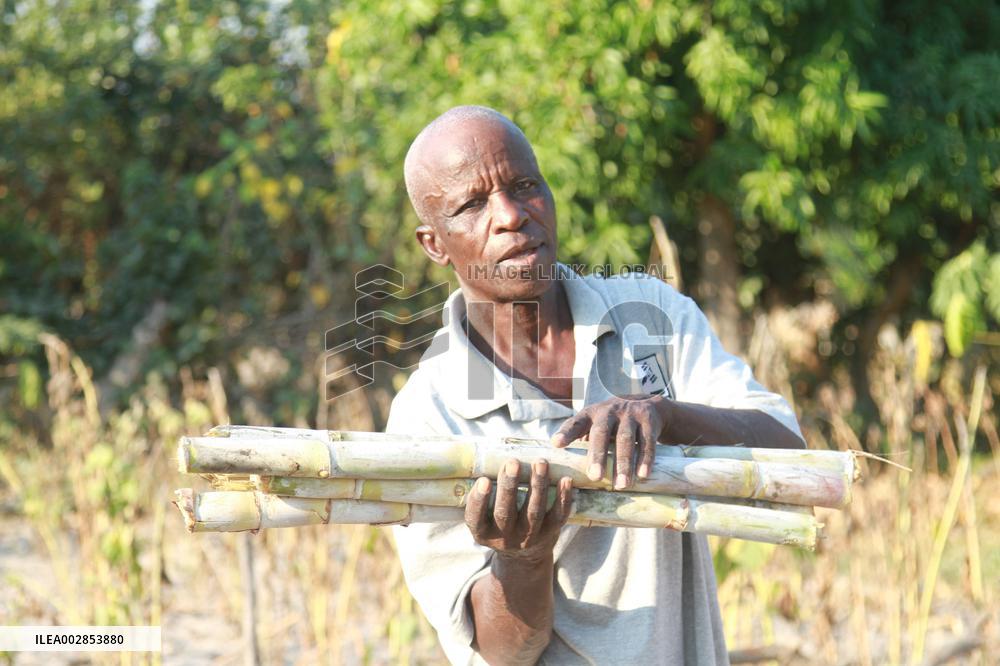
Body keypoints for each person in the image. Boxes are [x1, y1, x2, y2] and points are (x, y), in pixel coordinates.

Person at [386, 105, 805, 665]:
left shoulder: (648, 315)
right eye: (473, 205)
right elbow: (501, 653)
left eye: (525, 185)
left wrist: (668, 414)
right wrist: (523, 558)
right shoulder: (427, 417)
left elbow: (792, 457)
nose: (511, 215)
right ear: (434, 243)